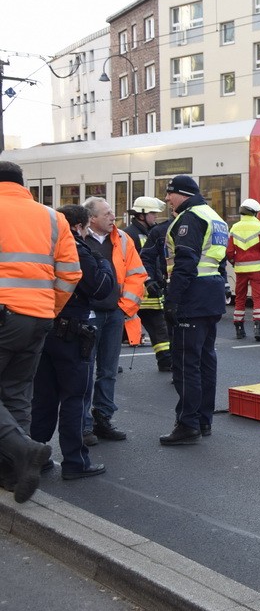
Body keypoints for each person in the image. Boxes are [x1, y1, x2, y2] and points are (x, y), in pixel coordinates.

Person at [0, 161, 81, 503]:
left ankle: (24, 449)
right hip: (40, 315)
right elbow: (70, 273)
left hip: (4, 313)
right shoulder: (52, 217)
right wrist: (49, 307)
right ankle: (13, 474)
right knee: (16, 393)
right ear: (23, 184)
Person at [31, 205, 114, 480]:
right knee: (75, 398)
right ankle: (75, 461)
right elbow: (100, 286)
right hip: (72, 331)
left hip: (42, 327)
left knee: (42, 397)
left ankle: (37, 455)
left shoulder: (40, 247)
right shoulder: (77, 249)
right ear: (79, 226)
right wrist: (102, 261)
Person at [159, 175, 229, 445]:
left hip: (192, 295)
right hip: (210, 294)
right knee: (205, 361)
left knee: (186, 364)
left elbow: (185, 262)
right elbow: (219, 261)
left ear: (183, 194)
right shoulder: (214, 217)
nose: (167, 199)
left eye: (170, 194)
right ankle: (202, 420)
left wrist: (173, 299)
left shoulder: (190, 218)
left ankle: (187, 424)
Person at [82, 196, 146, 445]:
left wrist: (124, 308)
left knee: (108, 371)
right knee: (85, 370)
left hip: (113, 314)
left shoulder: (122, 239)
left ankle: (103, 419)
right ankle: (84, 424)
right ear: (92, 218)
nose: (113, 217)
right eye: (107, 213)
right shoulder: (77, 239)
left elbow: (137, 274)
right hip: (86, 316)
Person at [124, 196, 172, 372]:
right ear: (142, 215)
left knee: (159, 327)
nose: (155, 217)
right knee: (159, 328)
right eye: (152, 213)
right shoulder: (130, 234)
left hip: (150, 290)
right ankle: (166, 360)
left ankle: (166, 360)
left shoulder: (150, 233)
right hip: (138, 292)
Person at [226, 199, 260, 342]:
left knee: (240, 298)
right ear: (254, 212)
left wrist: (234, 262)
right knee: (258, 298)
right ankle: (258, 328)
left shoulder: (234, 227)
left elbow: (229, 251)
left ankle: (239, 329)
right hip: (257, 270)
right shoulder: (259, 227)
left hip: (240, 269)